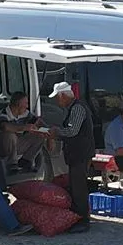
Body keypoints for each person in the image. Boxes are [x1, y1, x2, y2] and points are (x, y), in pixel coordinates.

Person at [46, 81, 96, 231]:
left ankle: (83, 220)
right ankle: (78, 217)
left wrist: (56, 132)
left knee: (79, 187)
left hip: (80, 153)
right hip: (77, 153)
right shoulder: (74, 107)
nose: (57, 101)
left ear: (63, 95)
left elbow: (72, 131)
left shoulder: (78, 108)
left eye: (57, 97)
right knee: (75, 186)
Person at [0, 91, 51, 176]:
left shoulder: (25, 113)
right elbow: (5, 127)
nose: (27, 106)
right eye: (26, 103)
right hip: (0, 146)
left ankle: (26, 161)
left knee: (40, 134)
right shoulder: (2, 114)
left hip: (16, 145)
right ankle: (11, 164)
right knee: (10, 134)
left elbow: (39, 122)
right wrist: (24, 127)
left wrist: (49, 134)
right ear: (18, 104)